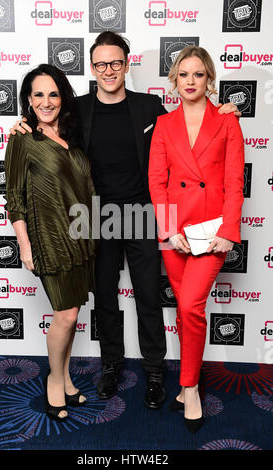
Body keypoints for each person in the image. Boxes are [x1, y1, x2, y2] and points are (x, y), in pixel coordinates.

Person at [9, 32, 239, 410]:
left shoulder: (150, 107)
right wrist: (21, 125)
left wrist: (224, 110)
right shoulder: (77, 110)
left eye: (116, 63)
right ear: (93, 68)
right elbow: (44, 130)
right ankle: (111, 366)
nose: (109, 70)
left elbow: (190, 127)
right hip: (94, 216)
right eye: (101, 64)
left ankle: (153, 371)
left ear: (127, 63)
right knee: (105, 298)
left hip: (149, 213)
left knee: (149, 296)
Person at [148, 45, 244, 432]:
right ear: (174, 80)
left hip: (212, 232)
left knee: (190, 306)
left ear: (209, 79)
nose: (191, 81)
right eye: (184, 74)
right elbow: (157, 181)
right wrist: (169, 231)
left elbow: (235, 182)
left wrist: (228, 232)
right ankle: (189, 385)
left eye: (198, 74)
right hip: (177, 234)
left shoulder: (227, 121)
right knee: (187, 312)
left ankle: (190, 387)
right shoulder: (164, 125)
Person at [4, 64, 96, 422]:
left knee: (72, 318)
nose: (46, 101)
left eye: (53, 94)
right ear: (28, 99)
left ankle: (66, 378)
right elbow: (13, 197)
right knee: (65, 315)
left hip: (82, 239)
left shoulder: (74, 135)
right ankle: (55, 381)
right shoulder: (22, 140)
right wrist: (25, 245)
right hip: (48, 240)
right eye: (38, 94)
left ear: (63, 97)